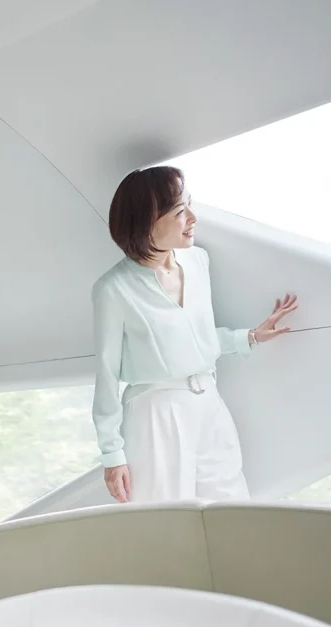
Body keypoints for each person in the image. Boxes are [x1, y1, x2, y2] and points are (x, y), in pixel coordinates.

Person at [92, 166, 297, 504]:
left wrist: (248, 337)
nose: (192, 218)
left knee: (231, 509)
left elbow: (194, 338)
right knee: (164, 522)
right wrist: (112, 454)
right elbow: (106, 373)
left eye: (190, 204)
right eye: (179, 211)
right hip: (155, 411)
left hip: (208, 401)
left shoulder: (198, 261)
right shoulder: (112, 289)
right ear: (147, 221)